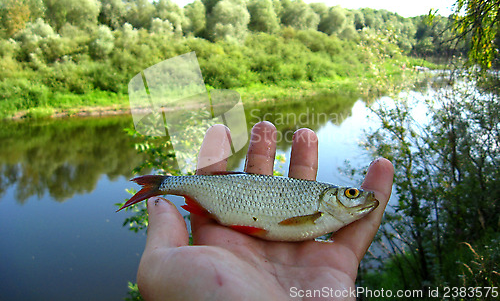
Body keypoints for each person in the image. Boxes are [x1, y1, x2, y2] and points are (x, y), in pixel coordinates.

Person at [136, 121, 394, 300]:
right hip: (223, 198)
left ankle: (161, 184)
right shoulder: (322, 214)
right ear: (332, 198)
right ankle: (161, 184)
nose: (358, 196)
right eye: (351, 193)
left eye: (352, 194)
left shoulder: (327, 216)